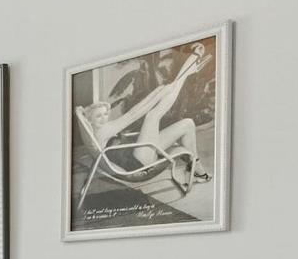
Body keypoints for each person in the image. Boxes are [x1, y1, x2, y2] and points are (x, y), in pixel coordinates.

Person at [83, 45, 211, 191]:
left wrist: (159, 92)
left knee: (187, 124)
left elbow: (136, 111)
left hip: (137, 152)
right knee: (152, 116)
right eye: (98, 116)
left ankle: (198, 170)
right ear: (90, 120)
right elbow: (135, 113)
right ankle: (187, 70)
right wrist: (160, 93)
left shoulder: (100, 128)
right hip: (137, 162)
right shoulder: (103, 131)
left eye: (105, 114)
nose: (103, 118)